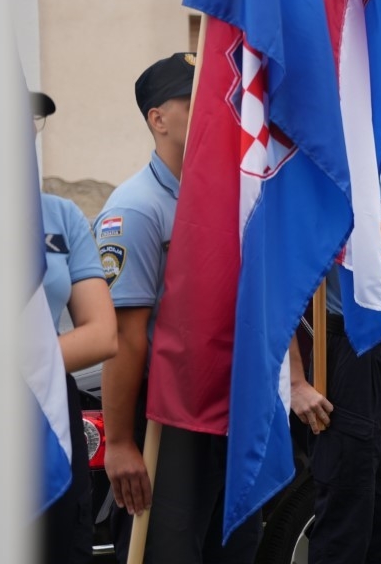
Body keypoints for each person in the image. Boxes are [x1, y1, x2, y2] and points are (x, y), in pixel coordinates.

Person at [98, 53, 262, 563]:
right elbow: (124, 338)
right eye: (195, 103)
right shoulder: (136, 208)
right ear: (157, 118)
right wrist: (121, 442)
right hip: (166, 414)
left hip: (227, 399)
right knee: (169, 551)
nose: (215, 114)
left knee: (232, 547)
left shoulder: (226, 194)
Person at [288, 163, 381, 564]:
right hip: (345, 348)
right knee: (347, 504)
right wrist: (295, 382)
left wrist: (359, 227)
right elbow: (277, 286)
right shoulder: (308, 173)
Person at [32, 90, 119, 564]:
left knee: (62, 544)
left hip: (48, 406)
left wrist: (23, 367)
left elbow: (102, 333)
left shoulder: (61, 216)